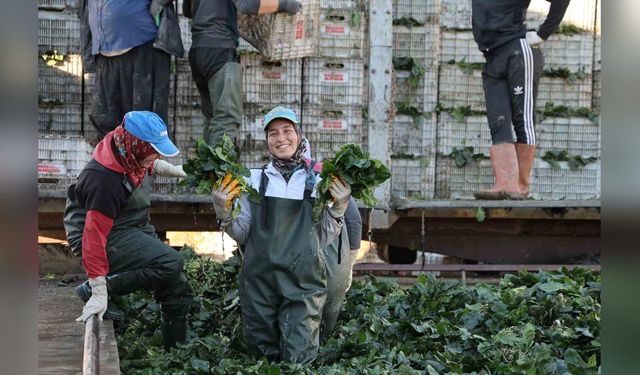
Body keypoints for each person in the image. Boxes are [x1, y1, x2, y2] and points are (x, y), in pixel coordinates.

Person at [211, 106, 351, 364]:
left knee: (299, 359)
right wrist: (224, 212)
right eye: (273, 133)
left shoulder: (319, 183)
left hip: (303, 285)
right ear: (266, 141)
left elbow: (324, 237)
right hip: (260, 285)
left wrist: (339, 208)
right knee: (261, 360)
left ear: (299, 135)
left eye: (287, 130)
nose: (280, 138)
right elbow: (242, 234)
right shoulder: (251, 181)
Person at [63, 111, 193, 350]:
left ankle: (176, 352)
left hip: (128, 222)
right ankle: (91, 289)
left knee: (175, 279)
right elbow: (93, 236)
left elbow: (149, 163)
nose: (154, 155)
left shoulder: (127, 148)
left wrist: (178, 171)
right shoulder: (104, 180)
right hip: (97, 234)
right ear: (137, 145)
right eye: (152, 149)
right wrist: (100, 288)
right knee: (169, 262)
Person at [471, 0, 570, 199]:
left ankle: (520, 185)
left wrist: (543, 33)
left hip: (518, 49)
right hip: (492, 57)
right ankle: (505, 183)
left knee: (522, 118)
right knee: (497, 121)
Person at [182, 0, 302, 145]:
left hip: (198, 50)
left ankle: (206, 165)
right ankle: (218, 166)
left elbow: (187, 10)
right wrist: (284, 5)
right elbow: (247, 5)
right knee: (227, 117)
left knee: (213, 116)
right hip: (220, 50)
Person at [79, 0, 184, 136]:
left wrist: (158, 2)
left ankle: (146, 156)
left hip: (141, 44)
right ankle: (115, 156)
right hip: (104, 51)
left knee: (142, 123)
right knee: (106, 123)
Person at [301, 139, 363, 342]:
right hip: (310, 260)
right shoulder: (273, 180)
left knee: (322, 303)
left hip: (329, 254)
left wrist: (351, 257)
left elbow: (352, 218)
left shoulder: (324, 177)